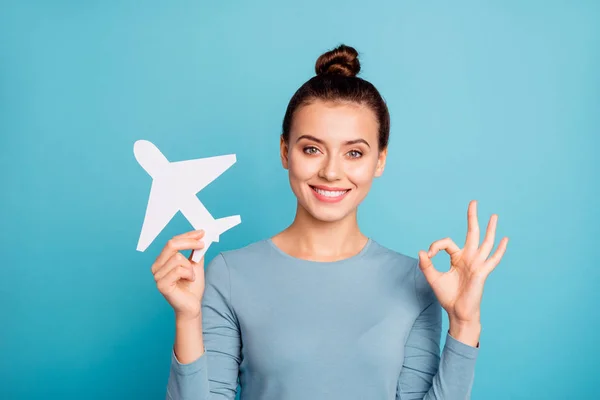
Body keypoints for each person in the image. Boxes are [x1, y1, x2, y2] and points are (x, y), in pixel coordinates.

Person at [152, 44, 509, 400]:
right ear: (284, 152)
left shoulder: (416, 282)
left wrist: (463, 325)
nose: (331, 171)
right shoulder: (228, 274)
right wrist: (187, 317)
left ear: (379, 160)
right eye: (312, 149)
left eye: (354, 153)